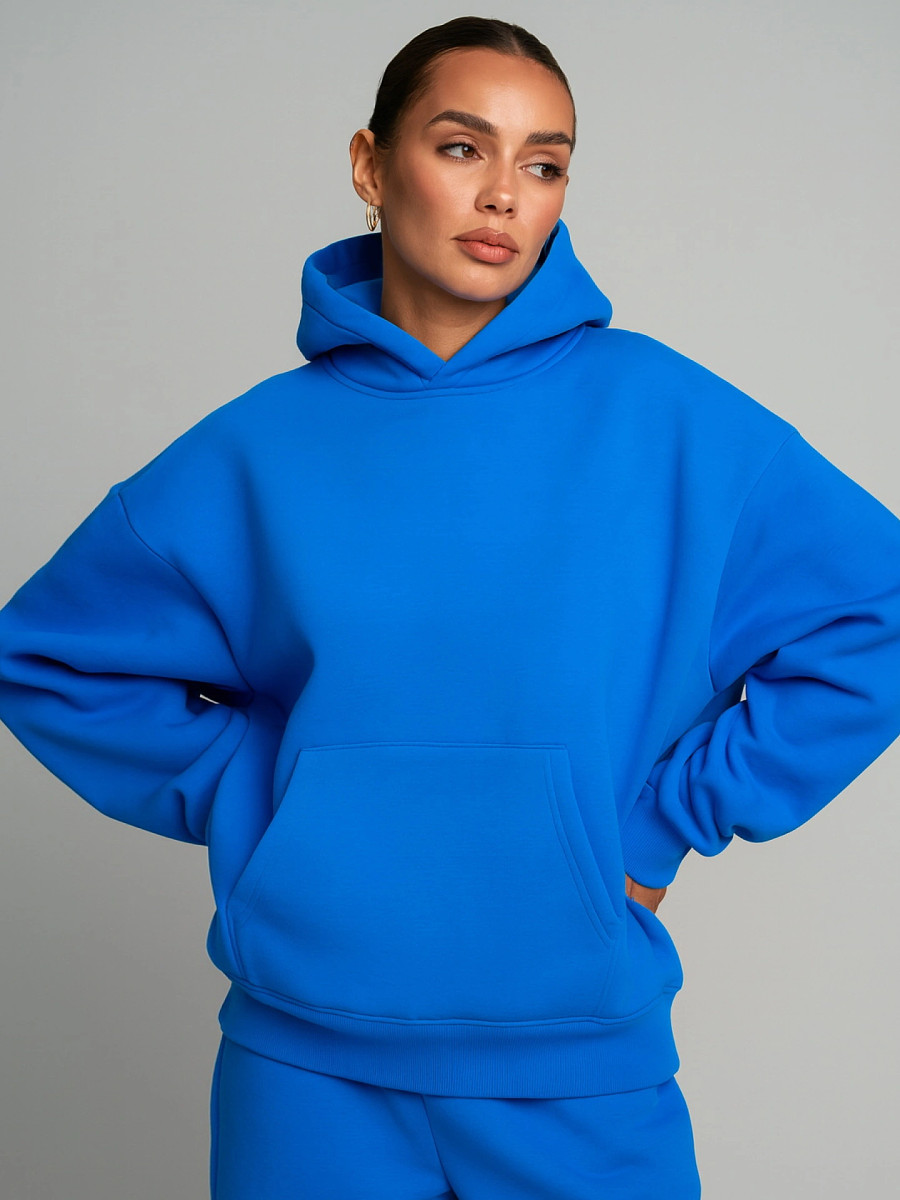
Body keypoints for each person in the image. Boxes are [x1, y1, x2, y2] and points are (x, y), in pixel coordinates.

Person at [1, 13, 900, 1200]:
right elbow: (48, 659)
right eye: (463, 147)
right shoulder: (255, 449)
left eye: (545, 163)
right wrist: (264, 796)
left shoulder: (667, 419)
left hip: (581, 1070)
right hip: (303, 1074)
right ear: (372, 165)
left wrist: (660, 824)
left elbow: (876, 611)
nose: (505, 196)